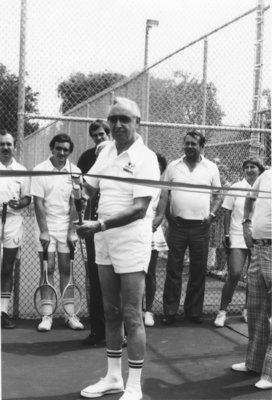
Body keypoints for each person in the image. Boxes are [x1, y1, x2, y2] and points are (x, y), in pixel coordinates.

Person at [75, 97, 160, 400]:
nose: (118, 125)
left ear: (138, 123)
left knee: (131, 314)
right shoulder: (107, 151)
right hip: (104, 238)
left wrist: (98, 225)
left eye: (125, 119)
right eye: (113, 119)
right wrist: (77, 186)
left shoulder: (146, 158)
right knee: (110, 311)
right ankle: (113, 377)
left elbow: (139, 209)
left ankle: (134, 384)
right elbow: (89, 186)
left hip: (131, 239)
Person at [154, 130, 222, 325]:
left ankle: (193, 313)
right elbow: (164, 193)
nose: (189, 146)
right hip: (177, 226)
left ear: (202, 147)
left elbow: (218, 194)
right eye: (187, 143)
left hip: (201, 227)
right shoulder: (173, 167)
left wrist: (211, 216)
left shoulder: (211, 167)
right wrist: (167, 216)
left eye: (194, 143)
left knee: (198, 271)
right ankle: (170, 311)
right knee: (173, 269)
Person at [30, 133, 84, 332]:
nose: (62, 152)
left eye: (66, 149)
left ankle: (70, 314)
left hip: (66, 227)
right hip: (46, 227)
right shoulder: (39, 170)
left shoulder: (76, 172)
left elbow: (76, 203)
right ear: (52, 149)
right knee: (48, 268)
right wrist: (44, 231)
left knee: (65, 269)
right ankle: (47, 314)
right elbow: (38, 203)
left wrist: (71, 231)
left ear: (70, 151)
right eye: (59, 148)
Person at [231, 168, 272, 390]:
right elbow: (250, 198)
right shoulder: (266, 175)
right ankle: (255, 363)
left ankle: (271, 372)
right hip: (258, 248)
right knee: (256, 309)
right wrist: (247, 222)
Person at [214, 158, 265, 327]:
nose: (250, 170)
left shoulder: (264, 187)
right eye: (247, 167)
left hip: (258, 237)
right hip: (237, 235)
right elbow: (227, 212)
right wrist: (227, 234)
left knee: (254, 277)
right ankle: (222, 311)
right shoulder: (235, 187)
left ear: (259, 170)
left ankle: (247, 309)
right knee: (235, 273)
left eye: (253, 167)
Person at [77, 119, 110, 345]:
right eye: (95, 135)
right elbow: (84, 190)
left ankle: (121, 332)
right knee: (95, 280)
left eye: (101, 134)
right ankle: (97, 330)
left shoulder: (119, 156)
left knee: (116, 282)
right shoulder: (87, 158)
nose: (99, 138)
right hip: (92, 228)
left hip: (115, 228)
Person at [0, 131, 31, 329]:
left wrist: (19, 203)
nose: (5, 147)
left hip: (13, 222)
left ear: (14, 146)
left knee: (7, 267)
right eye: (2, 144)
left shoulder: (22, 170)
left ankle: (2, 311)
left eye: (8, 144)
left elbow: (28, 198)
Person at [144, 153, 168, 327]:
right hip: (133, 231)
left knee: (149, 273)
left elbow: (159, 215)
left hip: (151, 233)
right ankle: (135, 309)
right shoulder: (138, 183)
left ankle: (149, 311)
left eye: (158, 166)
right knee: (133, 273)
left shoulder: (162, 188)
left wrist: (148, 229)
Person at [208, 164, 231, 274]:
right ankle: (217, 266)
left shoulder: (226, 187)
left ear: (226, 175)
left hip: (222, 219)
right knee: (216, 244)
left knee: (222, 244)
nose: (219, 176)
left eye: (221, 173)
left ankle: (222, 268)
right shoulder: (217, 186)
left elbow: (225, 204)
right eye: (218, 174)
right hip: (215, 219)